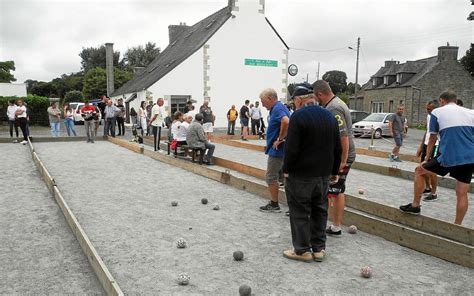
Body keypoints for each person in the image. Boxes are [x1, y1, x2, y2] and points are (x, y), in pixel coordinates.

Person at [282, 82, 342, 263]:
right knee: (320, 210)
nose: (293, 104)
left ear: (299, 100)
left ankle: (301, 250)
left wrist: (286, 169)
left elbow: (291, 148)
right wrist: (334, 171)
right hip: (323, 174)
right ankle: (318, 249)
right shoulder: (329, 116)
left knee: (299, 211)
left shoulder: (298, 117)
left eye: (294, 101)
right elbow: (337, 147)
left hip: (301, 174)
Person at [400, 91, 474, 225]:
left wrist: (427, 158)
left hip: (448, 155)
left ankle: (415, 206)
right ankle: (457, 225)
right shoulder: (471, 112)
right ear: (455, 100)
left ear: (441, 101)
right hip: (469, 157)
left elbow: (432, 138)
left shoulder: (437, 112)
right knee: (462, 193)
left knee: (419, 170)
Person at [313, 80, 356, 237]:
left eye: (316, 97)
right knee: (339, 189)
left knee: (333, 190)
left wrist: (342, 161)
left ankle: (333, 225)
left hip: (342, 156)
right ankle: (335, 225)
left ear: (319, 94)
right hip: (341, 154)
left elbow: (343, 136)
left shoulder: (334, 108)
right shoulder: (337, 103)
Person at [258, 89, 290, 213]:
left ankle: (274, 204)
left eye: (263, 101)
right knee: (285, 178)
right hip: (281, 149)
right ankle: (292, 207)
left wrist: (280, 139)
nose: (262, 104)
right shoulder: (277, 108)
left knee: (271, 177)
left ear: (270, 98)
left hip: (278, 151)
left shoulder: (277, 108)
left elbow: (286, 121)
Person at [416, 100, 440, 202]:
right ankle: (427, 187)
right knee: (423, 166)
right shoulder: (429, 116)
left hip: (435, 145)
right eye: (427, 109)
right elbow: (427, 131)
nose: (427, 111)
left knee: (432, 170)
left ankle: (434, 193)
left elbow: (434, 136)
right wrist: (421, 146)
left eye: (429, 109)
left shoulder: (439, 118)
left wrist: (428, 155)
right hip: (426, 144)